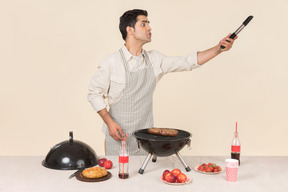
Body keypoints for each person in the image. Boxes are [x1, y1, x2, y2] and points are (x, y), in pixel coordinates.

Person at [88, 9, 237, 155]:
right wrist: (109, 123)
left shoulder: (155, 60)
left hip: (146, 138)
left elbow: (187, 62)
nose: (149, 28)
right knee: (117, 176)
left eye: (148, 24)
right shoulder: (111, 62)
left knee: (143, 177)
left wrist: (218, 49)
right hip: (117, 135)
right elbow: (94, 93)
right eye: (143, 24)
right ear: (130, 30)